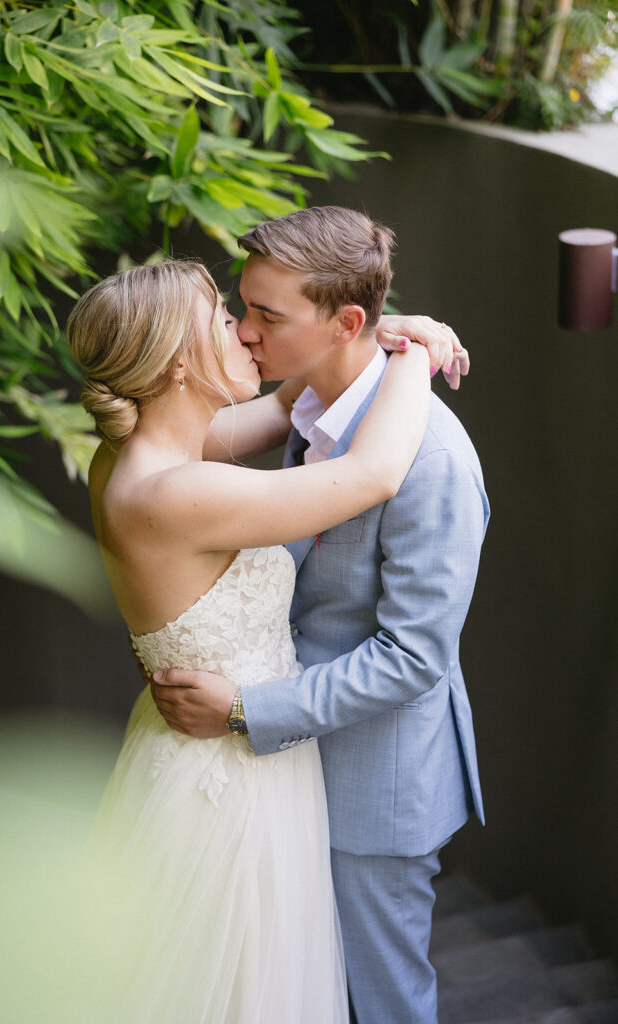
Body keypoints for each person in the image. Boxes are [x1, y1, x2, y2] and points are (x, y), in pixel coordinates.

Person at [66, 254, 458, 1023]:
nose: (245, 335)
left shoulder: (139, 452)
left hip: (200, 745)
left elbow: (281, 410)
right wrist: (419, 352)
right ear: (181, 364)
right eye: (222, 319)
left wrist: (373, 335)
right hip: (227, 774)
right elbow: (374, 473)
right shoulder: (179, 491)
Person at [151, 206, 489, 1024]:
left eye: (267, 316)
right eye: (243, 308)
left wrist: (242, 710)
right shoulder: (308, 415)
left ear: (343, 323)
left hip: (373, 790)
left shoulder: (432, 461)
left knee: (379, 1005)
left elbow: (413, 657)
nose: (243, 333)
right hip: (291, 778)